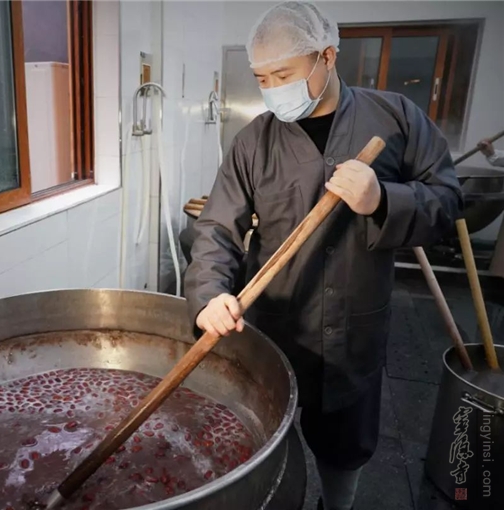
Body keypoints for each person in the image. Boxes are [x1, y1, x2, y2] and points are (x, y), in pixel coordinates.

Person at [183, 2, 463, 510]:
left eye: (284, 75)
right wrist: (209, 294)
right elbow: (217, 227)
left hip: (354, 329)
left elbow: (447, 200)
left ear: (327, 56)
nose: (272, 89)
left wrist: (384, 199)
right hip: (274, 326)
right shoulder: (253, 142)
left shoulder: (396, 118)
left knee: (344, 449)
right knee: (264, 438)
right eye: (262, 78)